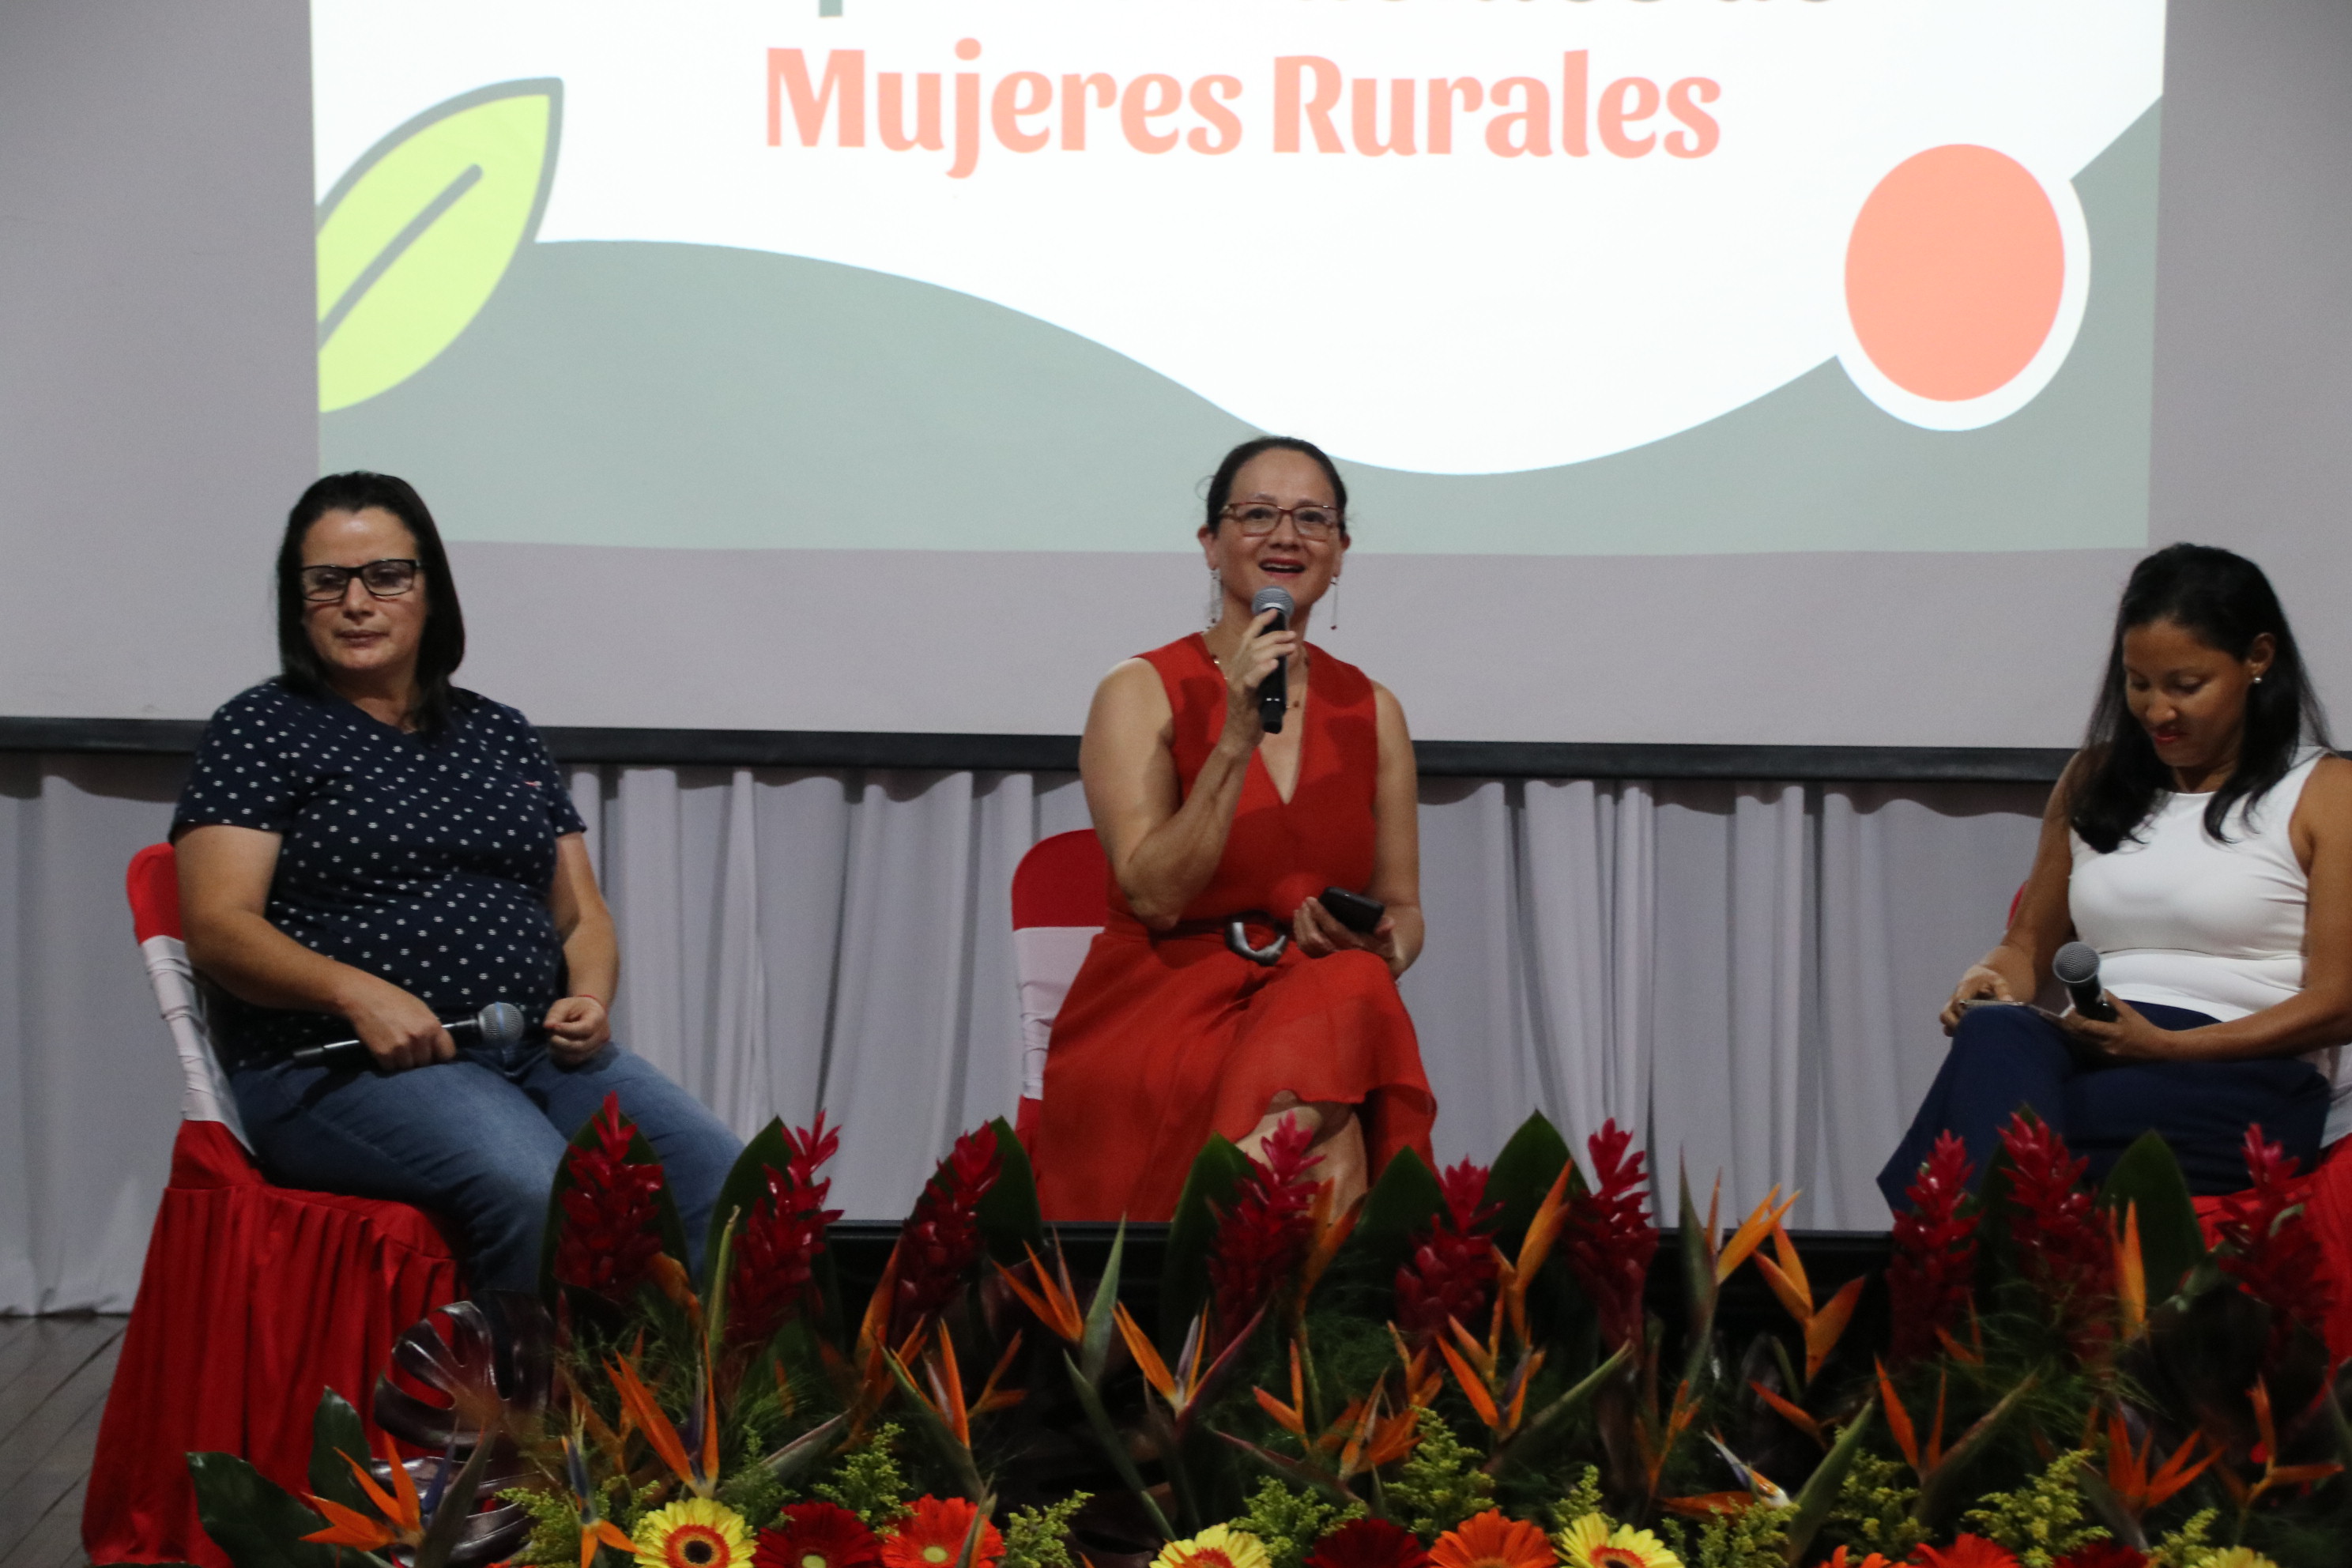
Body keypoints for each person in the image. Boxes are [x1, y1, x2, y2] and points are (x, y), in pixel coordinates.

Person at [172, 471, 740, 1291]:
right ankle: (517, 1416)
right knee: (537, 1187)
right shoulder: (261, 728)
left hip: (533, 1049)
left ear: (430, 591)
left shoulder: (499, 731)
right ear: (298, 604)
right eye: (327, 581)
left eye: (386, 576)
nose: (357, 601)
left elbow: (580, 915)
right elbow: (220, 927)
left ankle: (695, 1418)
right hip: (338, 1065)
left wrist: (589, 993)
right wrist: (356, 993)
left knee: (722, 1180)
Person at [1032, 436, 1436, 1222]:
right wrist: (1236, 737)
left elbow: (1404, 908)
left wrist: (1383, 943)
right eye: (1256, 515)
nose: (1286, 536)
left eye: (1313, 518)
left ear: (1341, 552)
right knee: (1333, 1141)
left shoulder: (1373, 709)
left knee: (1351, 983)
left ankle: (1207, 1250)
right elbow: (1152, 893)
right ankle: (1249, 1275)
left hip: (1306, 1012)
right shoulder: (1142, 689)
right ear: (1211, 545)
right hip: (1161, 1002)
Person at [1881, 544, 2350, 1206]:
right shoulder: (2096, 779)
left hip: (2240, 1069)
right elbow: (2026, 947)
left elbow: (2340, 1002)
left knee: (2002, 1128)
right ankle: (2000, 1256)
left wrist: (2166, 1046)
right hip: (2094, 1046)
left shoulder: (2327, 791)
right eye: (2139, 684)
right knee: (1996, 1034)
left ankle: (1967, 1265)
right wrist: (1987, 981)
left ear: (2258, 659)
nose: (2158, 712)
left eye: (2186, 687)